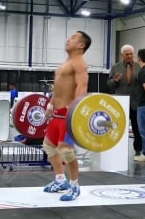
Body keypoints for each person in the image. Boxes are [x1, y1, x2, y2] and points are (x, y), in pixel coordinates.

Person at [43, 30, 91, 201]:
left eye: (73, 38)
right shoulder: (66, 63)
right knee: (49, 146)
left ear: (81, 45)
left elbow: (81, 86)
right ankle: (60, 179)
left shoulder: (79, 62)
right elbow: (59, 87)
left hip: (68, 115)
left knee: (66, 151)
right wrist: (50, 104)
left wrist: (76, 110)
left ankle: (74, 185)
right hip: (56, 114)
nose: (68, 39)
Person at [107, 44, 143, 158]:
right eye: (127, 54)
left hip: (135, 102)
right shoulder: (115, 67)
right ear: (122, 55)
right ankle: (114, 149)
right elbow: (108, 85)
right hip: (120, 103)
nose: (130, 56)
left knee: (137, 129)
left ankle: (138, 151)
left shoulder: (139, 67)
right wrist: (115, 81)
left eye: (132, 54)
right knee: (117, 127)